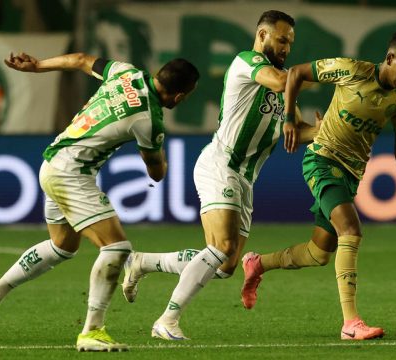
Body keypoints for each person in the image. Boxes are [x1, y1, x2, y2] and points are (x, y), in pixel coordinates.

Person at [0, 52, 199, 351]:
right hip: (71, 174)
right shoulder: (149, 120)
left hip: (53, 163)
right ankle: (92, 331)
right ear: (180, 95)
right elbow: (156, 173)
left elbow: (79, 59)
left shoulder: (125, 72)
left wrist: (38, 66)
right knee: (117, 248)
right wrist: (158, 150)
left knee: (62, 247)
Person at [120, 10, 317, 341]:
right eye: (282, 40)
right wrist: (335, 73)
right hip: (221, 164)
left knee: (224, 265)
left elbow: (296, 131)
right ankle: (167, 321)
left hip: (245, 180)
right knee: (223, 247)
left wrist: (325, 129)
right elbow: (285, 81)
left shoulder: (285, 86)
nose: (286, 48)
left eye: (290, 43)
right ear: (263, 36)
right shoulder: (246, 62)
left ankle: (141, 262)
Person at [240, 29, 396, 340]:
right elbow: (298, 73)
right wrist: (289, 117)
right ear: (390, 58)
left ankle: (257, 264)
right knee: (351, 230)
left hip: (352, 173)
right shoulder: (351, 69)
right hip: (322, 160)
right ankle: (350, 323)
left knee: (319, 253)